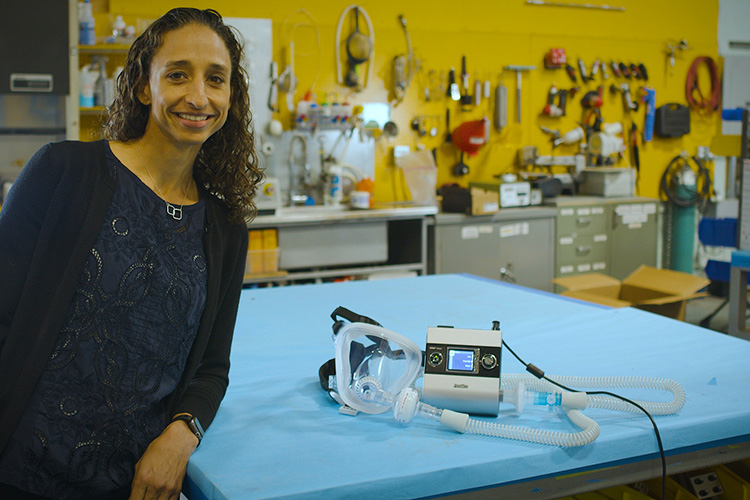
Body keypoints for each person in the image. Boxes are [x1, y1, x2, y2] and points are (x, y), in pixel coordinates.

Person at [0, 7, 261, 499]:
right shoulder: (64, 173)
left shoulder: (224, 229)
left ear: (231, 97)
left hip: (133, 484)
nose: (198, 96)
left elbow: (211, 368)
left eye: (216, 79)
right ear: (144, 86)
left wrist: (181, 435)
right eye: (178, 74)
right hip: (20, 471)